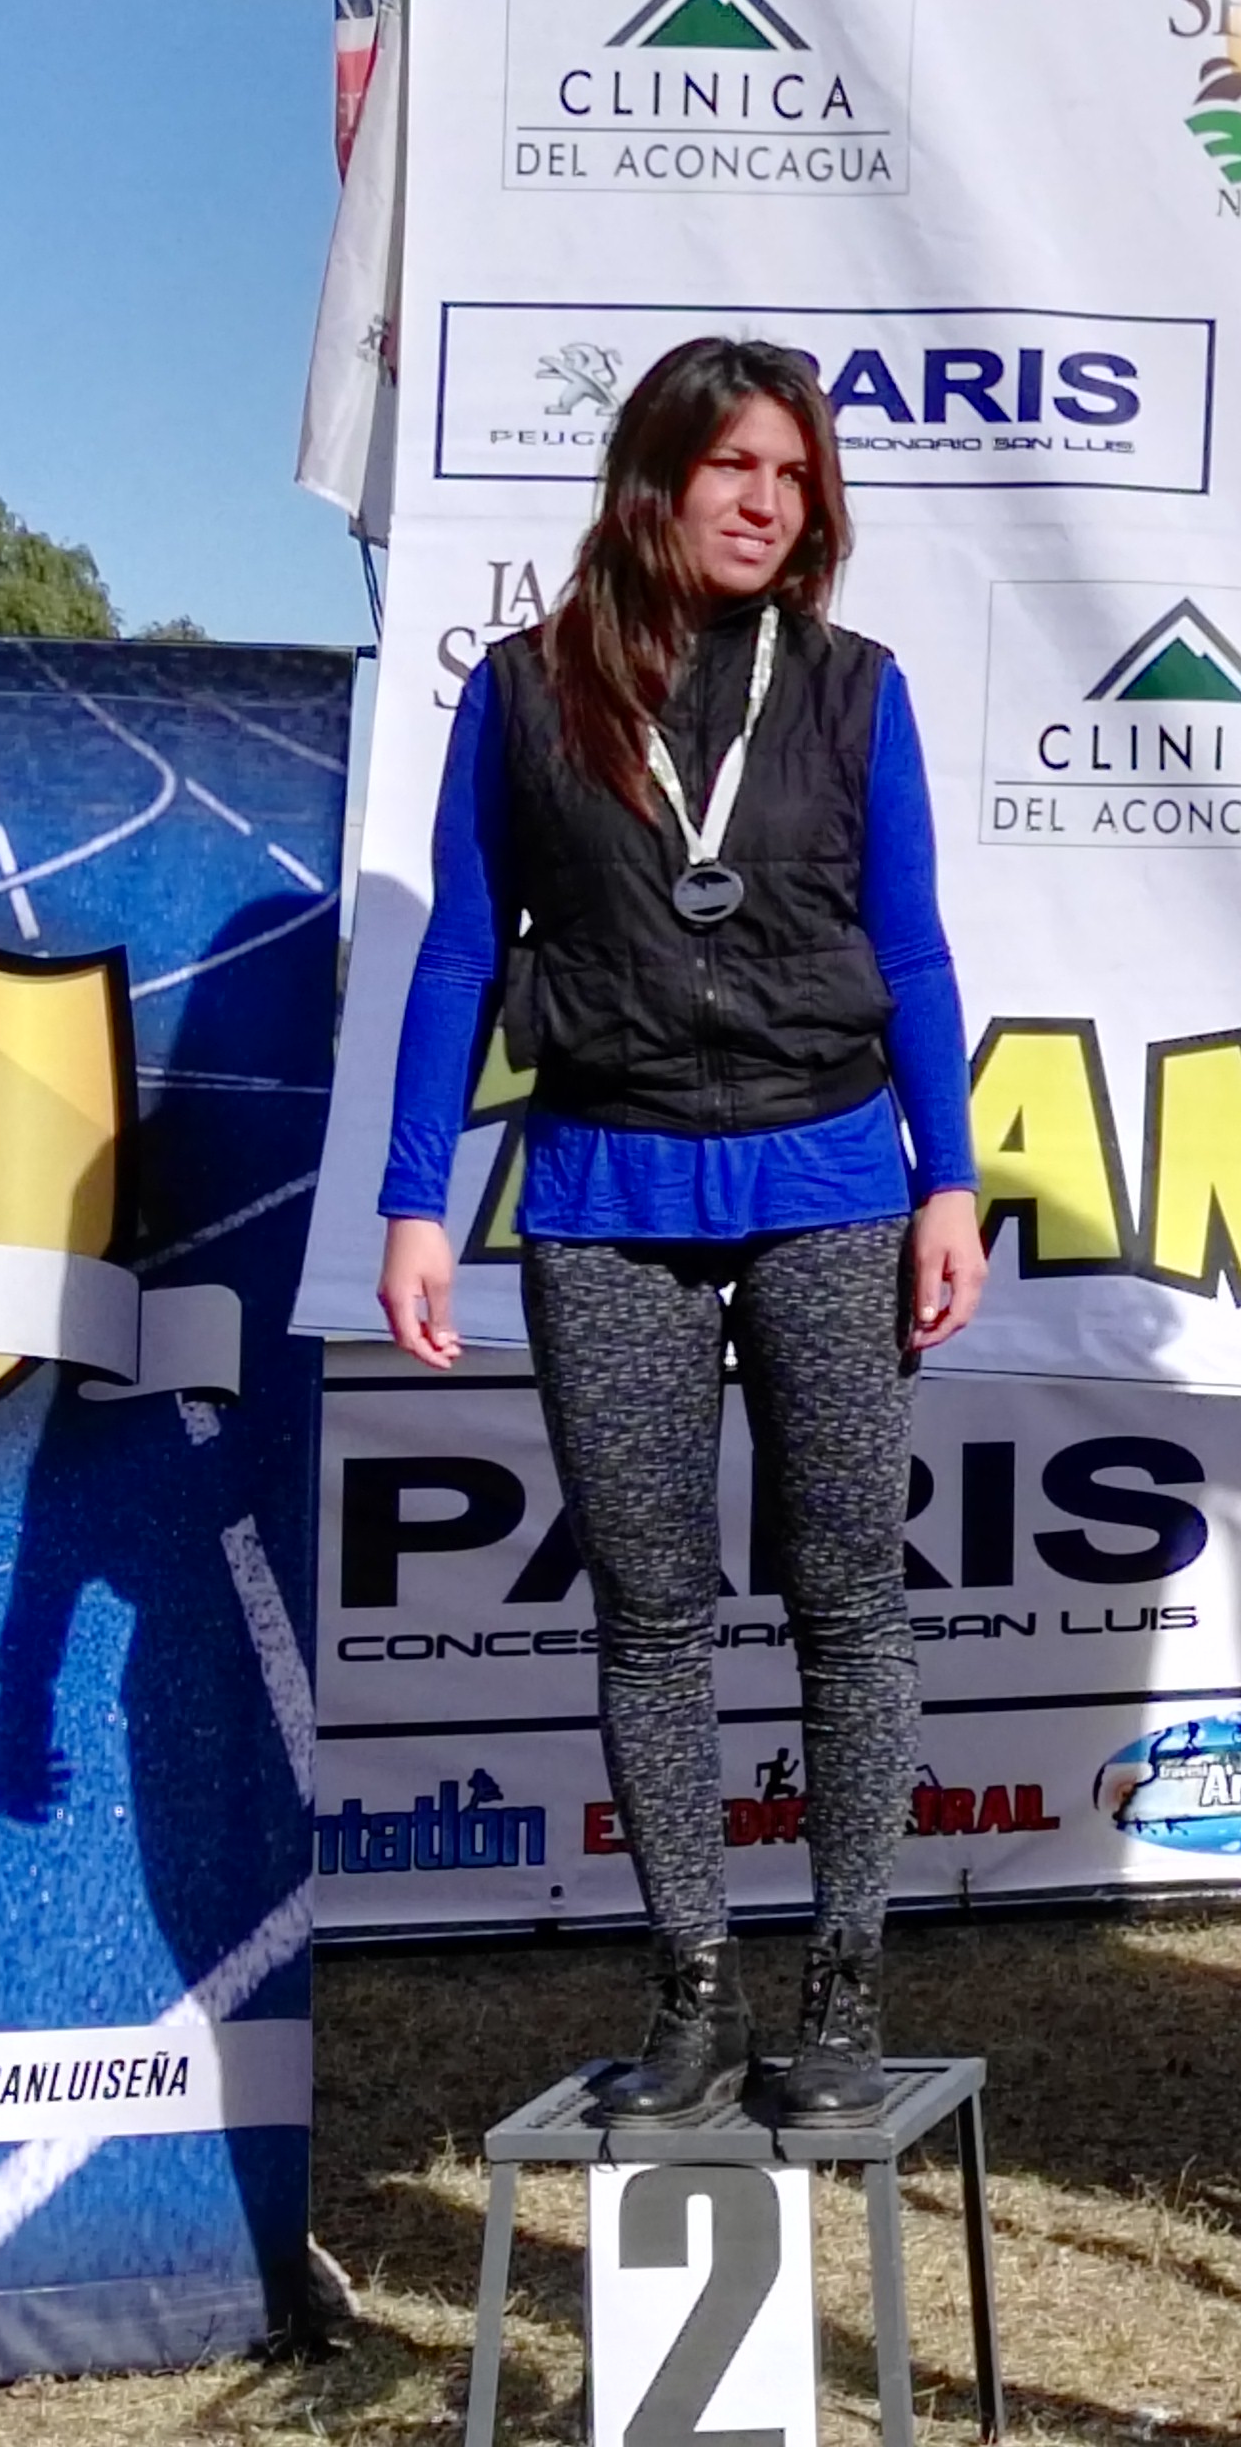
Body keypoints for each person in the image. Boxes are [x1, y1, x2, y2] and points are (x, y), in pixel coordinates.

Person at [375, 336, 984, 2127]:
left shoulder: (855, 690)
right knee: (649, 1612)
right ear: (656, 479)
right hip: (603, 1193)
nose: (767, 504)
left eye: (794, 478)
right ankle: (694, 1985)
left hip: (829, 1185)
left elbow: (913, 949)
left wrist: (948, 1179)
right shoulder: (524, 692)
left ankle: (847, 1984)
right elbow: (459, 953)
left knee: (848, 1602)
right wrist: (415, 1199)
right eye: (735, 468)